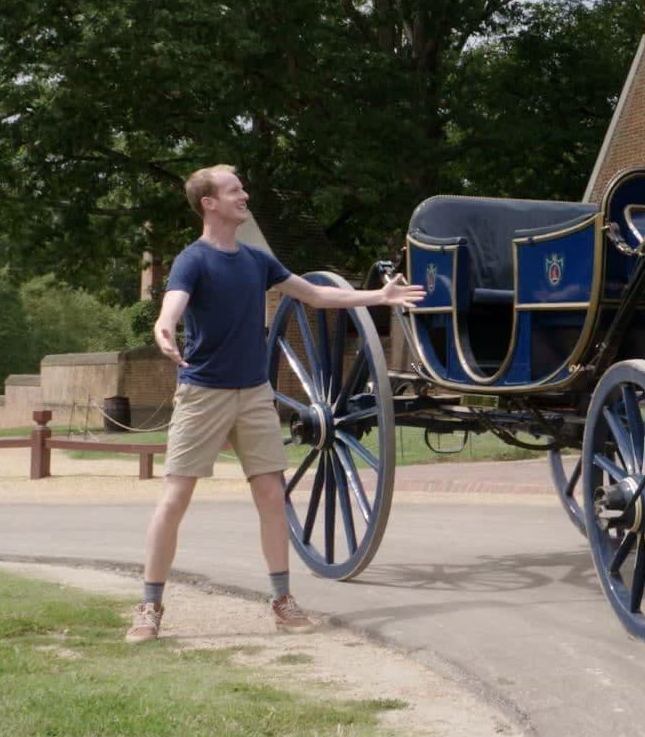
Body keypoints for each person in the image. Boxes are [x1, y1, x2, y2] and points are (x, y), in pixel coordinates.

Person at [125, 164, 424, 643]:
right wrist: (163, 329)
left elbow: (316, 295)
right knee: (176, 498)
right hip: (203, 392)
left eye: (242, 187)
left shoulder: (256, 260)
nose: (244, 195)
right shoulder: (193, 260)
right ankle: (150, 605)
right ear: (209, 203)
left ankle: (282, 601)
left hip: (254, 394)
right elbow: (172, 308)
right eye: (234, 190)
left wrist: (380, 296)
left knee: (270, 496)